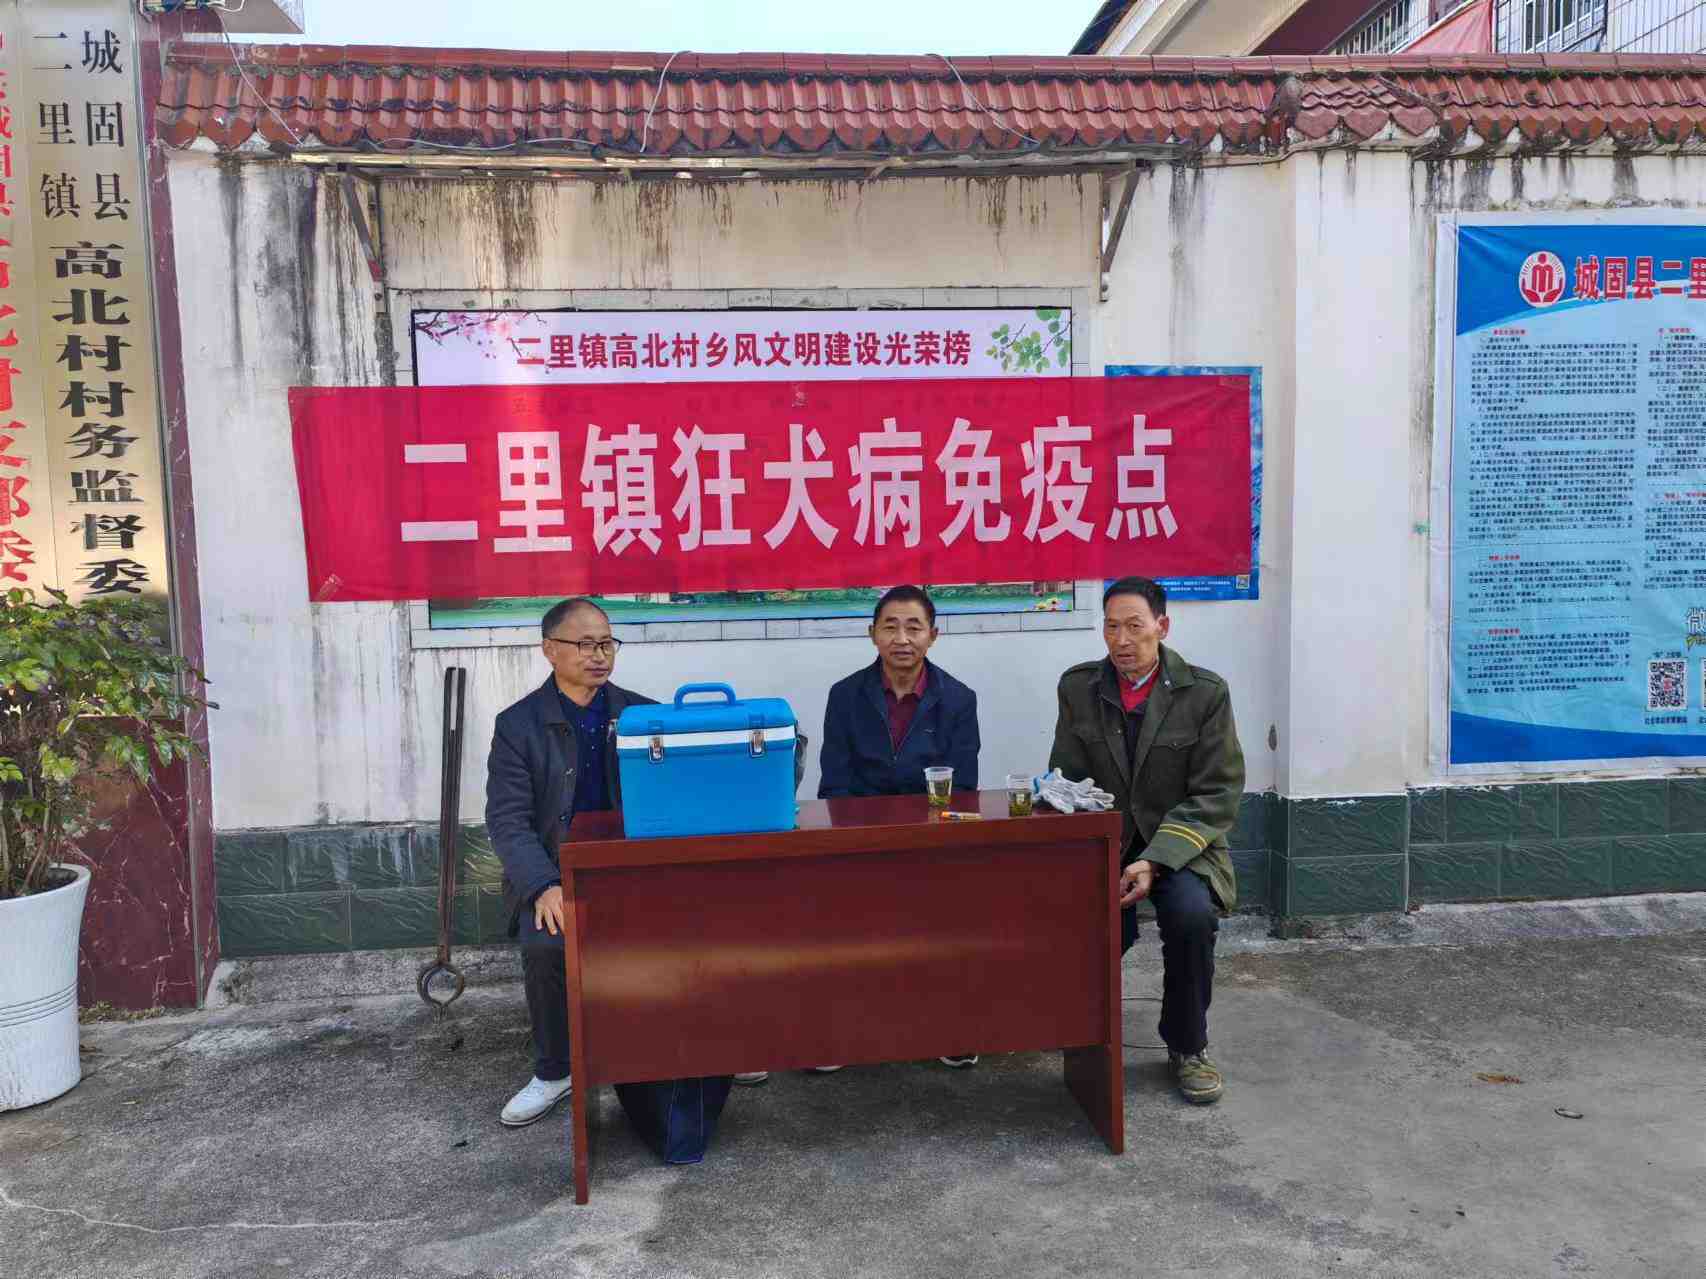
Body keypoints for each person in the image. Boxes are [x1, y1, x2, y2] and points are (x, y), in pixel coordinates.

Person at [1048, 576, 1245, 1105]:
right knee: (1086, 919)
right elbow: (1067, 779)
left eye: (1134, 626)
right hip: (1107, 841)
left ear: (1162, 626)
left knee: (1191, 918)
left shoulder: (1204, 693)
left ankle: (1188, 1045)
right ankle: (1086, 1036)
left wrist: (1155, 861)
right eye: (1111, 627)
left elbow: (1217, 793)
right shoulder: (1079, 687)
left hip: (1181, 844)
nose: (1121, 640)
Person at [484, 597, 656, 1127]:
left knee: (691, 928)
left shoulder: (644, 715)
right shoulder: (518, 725)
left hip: (631, 871)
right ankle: (555, 1070)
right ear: (549, 650)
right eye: (584, 644)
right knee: (546, 945)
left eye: (606, 643)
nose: (599, 655)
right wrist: (542, 885)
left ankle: (702, 1054)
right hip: (558, 875)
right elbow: (507, 820)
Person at [813, 583, 983, 1072]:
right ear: (872, 634)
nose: (902, 639)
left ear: (934, 635)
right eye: (890, 627)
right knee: (826, 909)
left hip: (930, 841)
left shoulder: (958, 699)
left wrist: (919, 840)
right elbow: (834, 783)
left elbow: (963, 787)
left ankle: (949, 1025)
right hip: (859, 839)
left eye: (914, 627)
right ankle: (836, 1031)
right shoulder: (845, 696)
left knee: (957, 908)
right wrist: (862, 843)